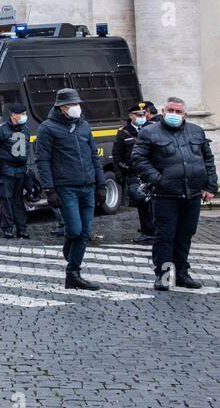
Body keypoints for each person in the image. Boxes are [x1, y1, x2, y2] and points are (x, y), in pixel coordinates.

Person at [131, 96, 216, 290]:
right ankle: (163, 275)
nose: (174, 114)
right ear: (163, 111)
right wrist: (158, 179)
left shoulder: (196, 131)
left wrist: (211, 186)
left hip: (192, 193)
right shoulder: (150, 132)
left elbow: (207, 159)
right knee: (165, 235)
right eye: (171, 110)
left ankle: (182, 274)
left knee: (185, 234)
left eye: (178, 112)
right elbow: (138, 158)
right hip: (165, 194)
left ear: (185, 114)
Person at [35, 87, 105, 290]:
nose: (77, 107)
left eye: (77, 104)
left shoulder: (84, 126)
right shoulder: (47, 128)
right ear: (62, 108)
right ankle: (70, 246)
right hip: (66, 188)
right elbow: (43, 161)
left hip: (88, 186)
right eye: (72, 105)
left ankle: (73, 273)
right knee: (74, 230)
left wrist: (101, 184)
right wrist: (49, 190)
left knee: (85, 232)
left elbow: (94, 157)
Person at [0, 103, 31, 239]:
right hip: (6, 169)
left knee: (19, 200)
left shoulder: (25, 130)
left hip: (21, 170)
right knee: (6, 199)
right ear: (13, 115)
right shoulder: (0, 130)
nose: (25, 116)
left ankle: (22, 228)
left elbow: (27, 149)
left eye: (25, 114)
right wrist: (1, 161)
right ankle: (8, 228)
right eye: (22, 114)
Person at [115, 101, 156, 245]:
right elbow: (117, 155)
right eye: (138, 114)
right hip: (134, 174)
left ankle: (157, 230)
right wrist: (123, 171)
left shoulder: (154, 128)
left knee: (156, 202)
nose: (141, 116)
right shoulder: (123, 132)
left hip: (153, 173)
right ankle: (147, 231)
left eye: (143, 114)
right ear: (131, 116)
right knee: (141, 201)